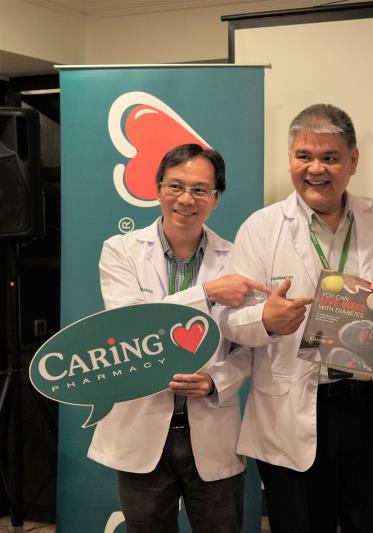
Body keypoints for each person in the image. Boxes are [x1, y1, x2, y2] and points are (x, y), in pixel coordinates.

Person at [219, 104, 373, 533]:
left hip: (370, 405)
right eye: (303, 156)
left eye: (330, 158)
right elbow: (230, 321)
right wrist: (267, 321)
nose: (316, 169)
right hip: (296, 407)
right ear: (289, 157)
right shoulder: (261, 227)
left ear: (352, 161)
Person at [89, 143, 266, 533]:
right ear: (156, 189)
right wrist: (208, 293)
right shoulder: (120, 251)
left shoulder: (237, 259)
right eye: (175, 186)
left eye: (200, 189)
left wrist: (215, 381)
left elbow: (249, 349)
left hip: (212, 425)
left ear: (216, 198)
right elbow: (131, 325)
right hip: (142, 424)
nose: (186, 199)